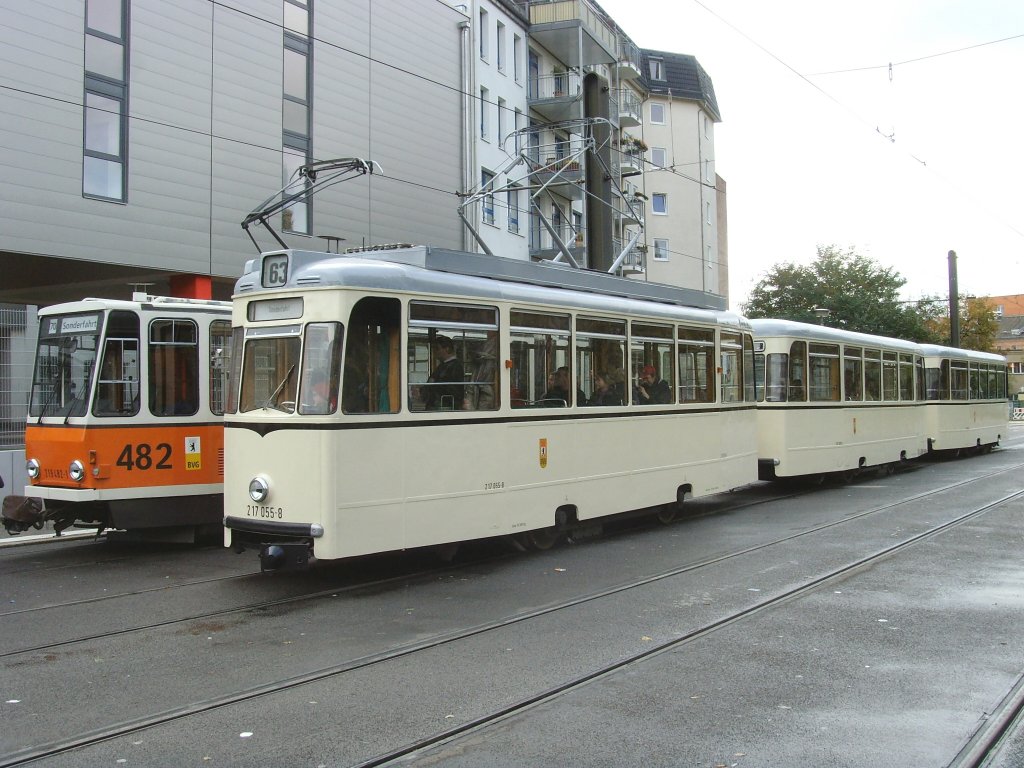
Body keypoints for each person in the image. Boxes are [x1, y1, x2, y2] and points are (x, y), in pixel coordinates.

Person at [423, 335, 464, 410]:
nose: (435, 352)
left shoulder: (455, 366)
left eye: (437, 349)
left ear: (447, 349)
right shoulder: (443, 365)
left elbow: (455, 390)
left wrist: (433, 385)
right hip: (437, 405)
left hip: (445, 406)